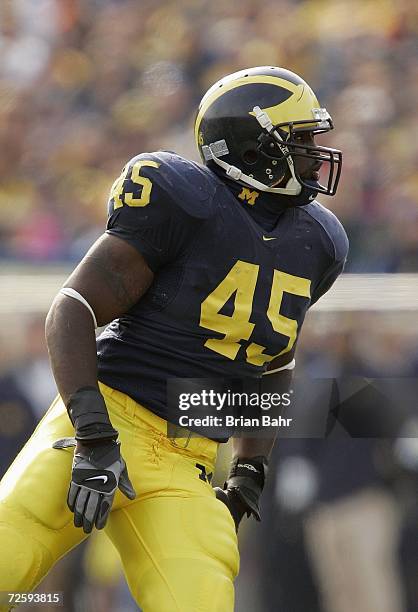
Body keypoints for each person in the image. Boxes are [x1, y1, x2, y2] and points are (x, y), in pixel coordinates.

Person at [0, 66, 348, 612]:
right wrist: (93, 436)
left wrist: (251, 468)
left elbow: (275, 360)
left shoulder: (318, 240)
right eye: (299, 140)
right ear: (254, 146)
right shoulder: (181, 197)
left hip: (189, 456)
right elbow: (74, 307)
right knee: (6, 567)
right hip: (103, 419)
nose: (315, 155)